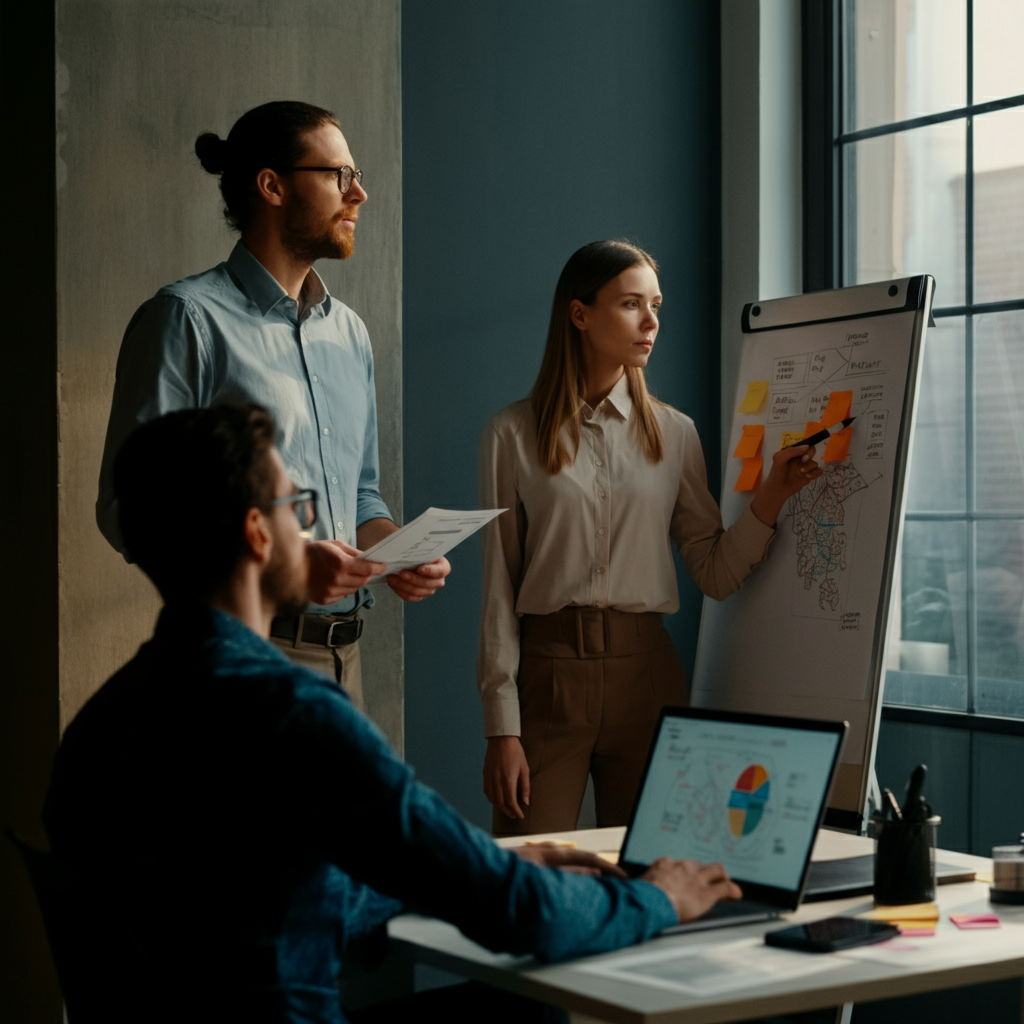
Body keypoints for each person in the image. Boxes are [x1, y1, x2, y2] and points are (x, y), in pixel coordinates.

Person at [44, 404, 743, 1024]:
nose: (312, 525)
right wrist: (660, 898)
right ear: (258, 534)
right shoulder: (293, 715)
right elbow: (519, 914)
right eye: (301, 505)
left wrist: (482, 864)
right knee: (531, 1002)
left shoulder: (100, 725)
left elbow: (250, 906)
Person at [96, 100, 449, 709]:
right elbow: (132, 511)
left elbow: (361, 496)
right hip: (245, 660)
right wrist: (283, 563)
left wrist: (397, 552)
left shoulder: (349, 333)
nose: (359, 193)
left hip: (346, 660)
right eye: (339, 175)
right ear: (272, 185)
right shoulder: (185, 321)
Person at [478, 240, 822, 836]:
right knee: (528, 872)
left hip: (650, 680)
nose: (652, 322)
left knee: (655, 875)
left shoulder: (675, 434)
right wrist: (501, 728)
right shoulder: (511, 434)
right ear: (580, 314)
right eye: (631, 304)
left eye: (655, 304)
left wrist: (771, 497)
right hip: (549, 679)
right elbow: (497, 593)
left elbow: (714, 571)